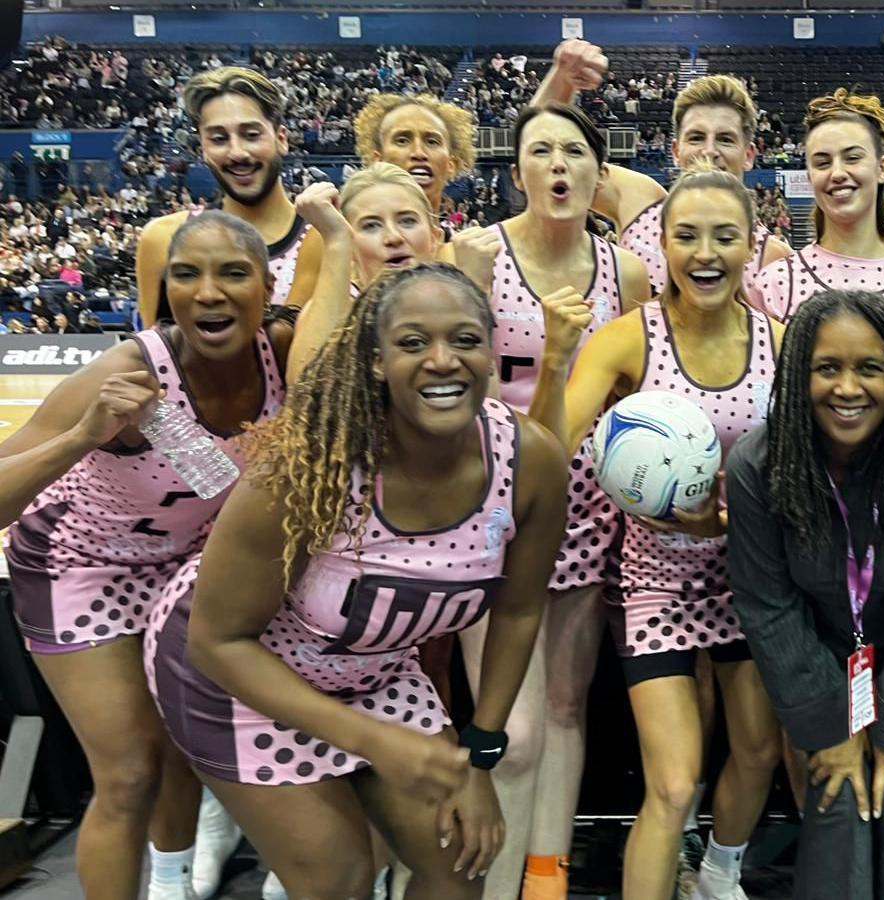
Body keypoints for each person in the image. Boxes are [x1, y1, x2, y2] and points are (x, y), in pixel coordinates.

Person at [144, 263, 569, 899]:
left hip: (369, 673)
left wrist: (479, 759)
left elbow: (516, 613)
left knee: (459, 861)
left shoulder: (531, 461)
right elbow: (217, 640)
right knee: (338, 877)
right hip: (231, 673)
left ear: (492, 352)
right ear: (375, 362)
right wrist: (377, 744)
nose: (442, 360)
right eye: (413, 343)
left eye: (465, 340)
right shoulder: (308, 464)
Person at [0, 211, 292, 900]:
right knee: (129, 774)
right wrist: (82, 435)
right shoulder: (129, 368)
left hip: (183, 563)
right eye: (187, 275)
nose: (209, 291)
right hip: (78, 563)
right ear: (167, 291)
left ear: (267, 285)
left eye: (232, 273)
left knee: (182, 749)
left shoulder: (285, 348)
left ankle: (169, 886)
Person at [548, 168, 783, 900]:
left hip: (747, 574)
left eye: (724, 235)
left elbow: (796, 474)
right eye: (686, 235)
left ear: (752, 246)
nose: (705, 252)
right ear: (662, 246)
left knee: (756, 750)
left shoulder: (779, 341)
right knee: (676, 782)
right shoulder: (626, 337)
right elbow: (548, 446)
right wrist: (557, 356)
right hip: (656, 583)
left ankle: (717, 874)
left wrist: (727, 521)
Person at [454, 102, 650, 900]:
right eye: (543, 152)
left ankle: (545, 878)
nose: (560, 166)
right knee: (517, 729)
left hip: (587, 506)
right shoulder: (473, 253)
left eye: (576, 152)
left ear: (600, 177)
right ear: (519, 172)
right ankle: (494, 884)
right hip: (491, 502)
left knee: (568, 708)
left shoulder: (625, 272)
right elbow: (456, 383)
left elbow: (637, 387)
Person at [725, 289, 884, 899]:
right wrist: (832, 729)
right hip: (809, 660)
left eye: (869, 368)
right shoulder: (757, 468)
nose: (847, 388)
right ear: (796, 375)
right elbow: (769, 608)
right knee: (836, 799)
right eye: (827, 368)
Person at [533, 40, 793, 302]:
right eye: (696, 138)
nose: (709, 150)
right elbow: (542, 164)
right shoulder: (640, 200)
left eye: (725, 139)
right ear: (676, 151)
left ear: (748, 156)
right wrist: (562, 79)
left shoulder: (771, 256)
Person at [755, 89, 884, 422]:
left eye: (852, 157)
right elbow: (766, 408)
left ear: (882, 168)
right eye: (822, 162)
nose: (836, 173)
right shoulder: (775, 284)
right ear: (810, 177)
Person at [137, 67, 323, 326]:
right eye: (219, 138)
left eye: (251, 135)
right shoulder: (163, 239)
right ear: (203, 147)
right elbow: (154, 357)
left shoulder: (327, 238)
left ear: (282, 138)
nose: (237, 152)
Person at [354, 92, 478, 236]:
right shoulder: (338, 247)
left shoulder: (473, 255)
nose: (419, 153)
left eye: (432, 142)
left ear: (451, 164)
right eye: (402, 141)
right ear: (377, 161)